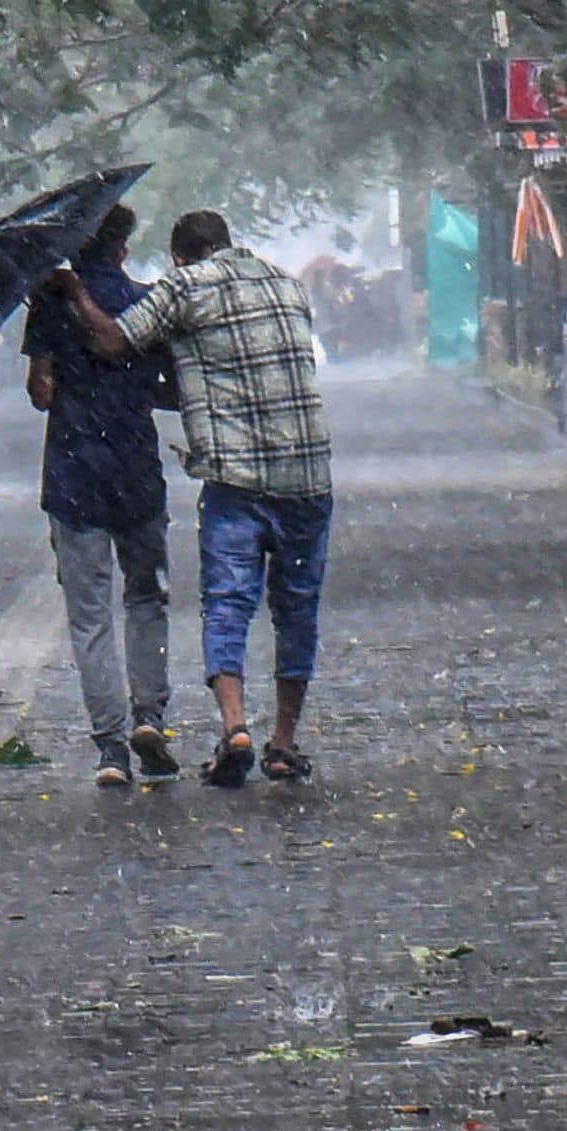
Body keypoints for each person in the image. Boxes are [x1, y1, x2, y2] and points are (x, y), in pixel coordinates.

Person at [50, 209, 332, 788]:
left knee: (227, 603)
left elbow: (110, 340)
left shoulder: (183, 287)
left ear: (180, 257)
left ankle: (234, 728)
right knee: (296, 610)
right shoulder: (286, 282)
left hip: (235, 481)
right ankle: (282, 742)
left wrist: (73, 290)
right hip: (308, 476)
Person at [21, 205, 180, 787]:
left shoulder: (48, 304)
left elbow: (40, 392)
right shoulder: (150, 301)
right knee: (147, 599)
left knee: (89, 616)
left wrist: (62, 364)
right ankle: (151, 717)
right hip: (136, 469)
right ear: (122, 248)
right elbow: (171, 389)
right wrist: (129, 389)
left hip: (73, 475)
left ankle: (111, 748)